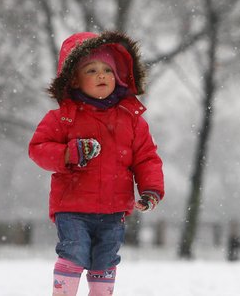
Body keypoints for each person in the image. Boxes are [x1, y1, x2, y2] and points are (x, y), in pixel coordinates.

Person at [29, 31, 164, 296]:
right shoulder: (63, 118)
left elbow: (147, 157)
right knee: (74, 251)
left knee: (106, 259)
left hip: (114, 210)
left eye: (108, 70)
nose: (102, 75)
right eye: (91, 70)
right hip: (72, 207)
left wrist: (151, 190)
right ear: (74, 80)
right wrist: (68, 154)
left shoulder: (132, 121)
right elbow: (38, 149)